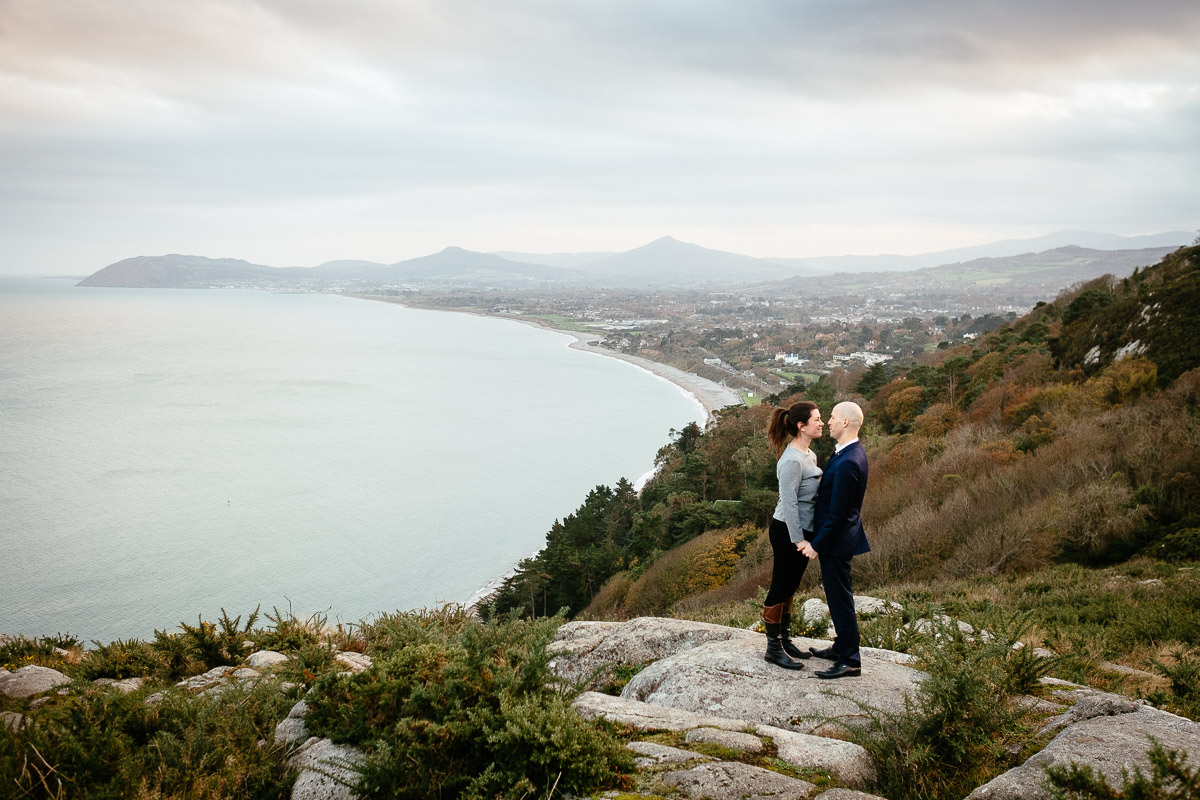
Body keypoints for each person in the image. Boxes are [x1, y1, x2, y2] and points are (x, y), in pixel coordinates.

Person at [799, 401, 869, 679]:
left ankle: (850, 658)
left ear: (845, 423)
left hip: (838, 542)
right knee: (839, 596)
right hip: (840, 540)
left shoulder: (849, 461)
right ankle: (842, 647)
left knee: (840, 599)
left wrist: (817, 544)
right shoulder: (848, 452)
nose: (827, 421)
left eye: (832, 417)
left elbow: (838, 513)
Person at [762, 401, 825, 669]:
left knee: (791, 586)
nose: (822, 423)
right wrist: (799, 539)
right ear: (802, 426)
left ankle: (785, 639)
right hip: (787, 530)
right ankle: (772, 648)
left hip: (802, 530)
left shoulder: (809, 454)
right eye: (817, 419)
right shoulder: (791, 461)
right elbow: (788, 503)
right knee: (780, 586)